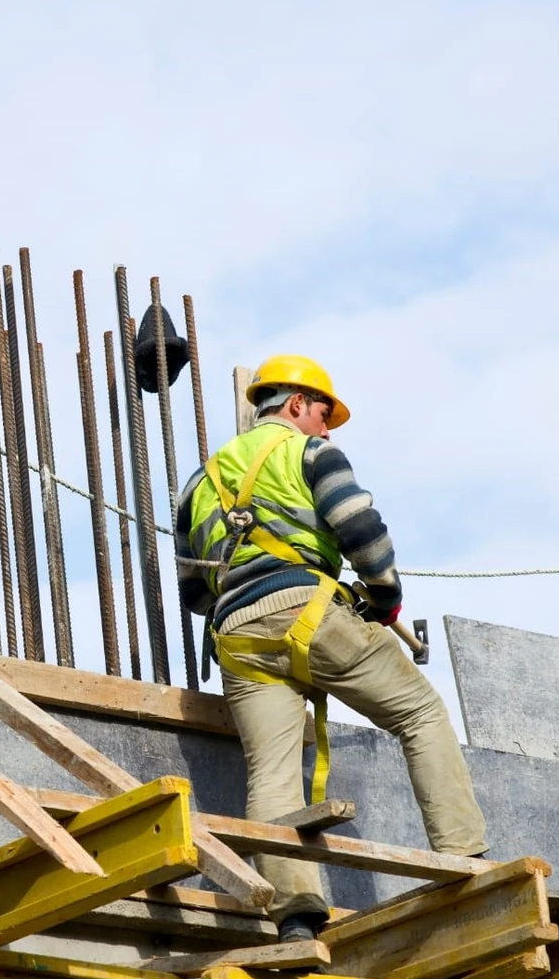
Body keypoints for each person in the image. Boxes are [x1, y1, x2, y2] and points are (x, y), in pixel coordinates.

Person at [174, 355, 487, 942]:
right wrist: (386, 598)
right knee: (420, 713)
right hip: (310, 613)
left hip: (237, 636)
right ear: (295, 405)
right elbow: (361, 529)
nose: (327, 427)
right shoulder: (310, 453)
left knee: (271, 774)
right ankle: (466, 859)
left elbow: (193, 590)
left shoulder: (198, 482)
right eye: (323, 414)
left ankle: (294, 916)